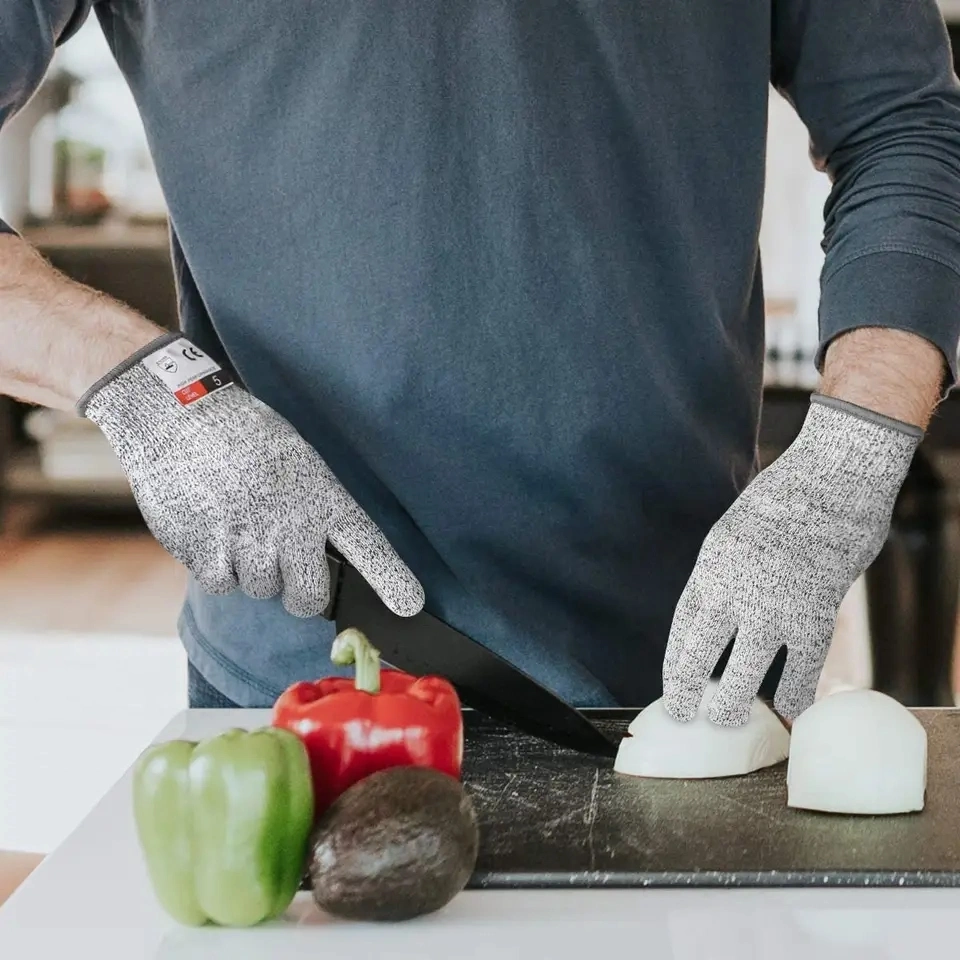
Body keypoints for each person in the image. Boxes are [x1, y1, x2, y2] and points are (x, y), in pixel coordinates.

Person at [2, 0, 959, 726]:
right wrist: (151, 392)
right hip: (307, 684)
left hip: (694, 660)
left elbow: (906, 122)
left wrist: (847, 464)